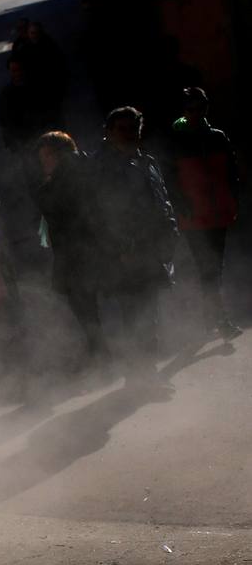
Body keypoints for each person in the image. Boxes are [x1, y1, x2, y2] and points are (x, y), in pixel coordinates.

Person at [90, 107, 178, 380]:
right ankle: (140, 374)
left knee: (148, 310)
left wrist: (169, 231)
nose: (129, 134)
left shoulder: (147, 161)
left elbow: (161, 201)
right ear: (109, 132)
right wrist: (120, 248)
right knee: (132, 313)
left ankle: (145, 371)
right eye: (122, 129)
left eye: (134, 128)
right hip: (125, 251)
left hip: (152, 246)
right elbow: (100, 213)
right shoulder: (102, 166)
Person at [169, 87, 240, 337]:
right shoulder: (175, 140)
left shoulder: (217, 137)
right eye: (192, 109)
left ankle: (210, 318)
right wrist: (181, 205)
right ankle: (218, 320)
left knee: (212, 268)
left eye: (202, 108)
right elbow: (169, 180)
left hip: (218, 212)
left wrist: (233, 199)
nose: (197, 113)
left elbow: (232, 173)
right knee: (208, 268)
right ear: (184, 110)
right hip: (194, 216)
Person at [33, 131, 106, 360]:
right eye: (42, 157)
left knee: (84, 300)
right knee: (82, 301)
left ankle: (100, 350)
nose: (44, 162)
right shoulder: (73, 173)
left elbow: (59, 209)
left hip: (80, 249)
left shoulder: (70, 178)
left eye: (49, 156)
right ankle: (98, 348)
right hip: (70, 250)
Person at [0, 59, 49, 153]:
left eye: (18, 70)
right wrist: (9, 142)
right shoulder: (6, 94)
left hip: (37, 137)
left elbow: (44, 112)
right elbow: (3, 121)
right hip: (18, 142)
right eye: (13, 71)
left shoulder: (35, 89)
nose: (17, 74)